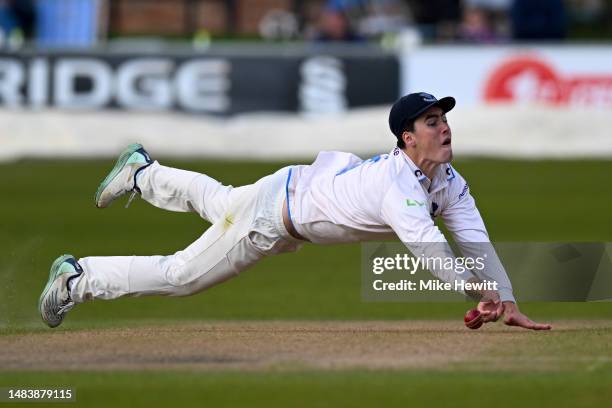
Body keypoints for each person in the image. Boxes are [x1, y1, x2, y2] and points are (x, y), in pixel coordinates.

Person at [38, 92, 552, 331]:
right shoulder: (400, 184)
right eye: (433, 121)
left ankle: (144, 173)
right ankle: (78, 278)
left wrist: (504, 297)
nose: (445, 129)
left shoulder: (449, 182)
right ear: (407, 137)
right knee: (181, 275)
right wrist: (475, 289)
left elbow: (473, 239)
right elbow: (428, 246)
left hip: (289, 191)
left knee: (218, 202)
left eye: (445, 120)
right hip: (273, 216)